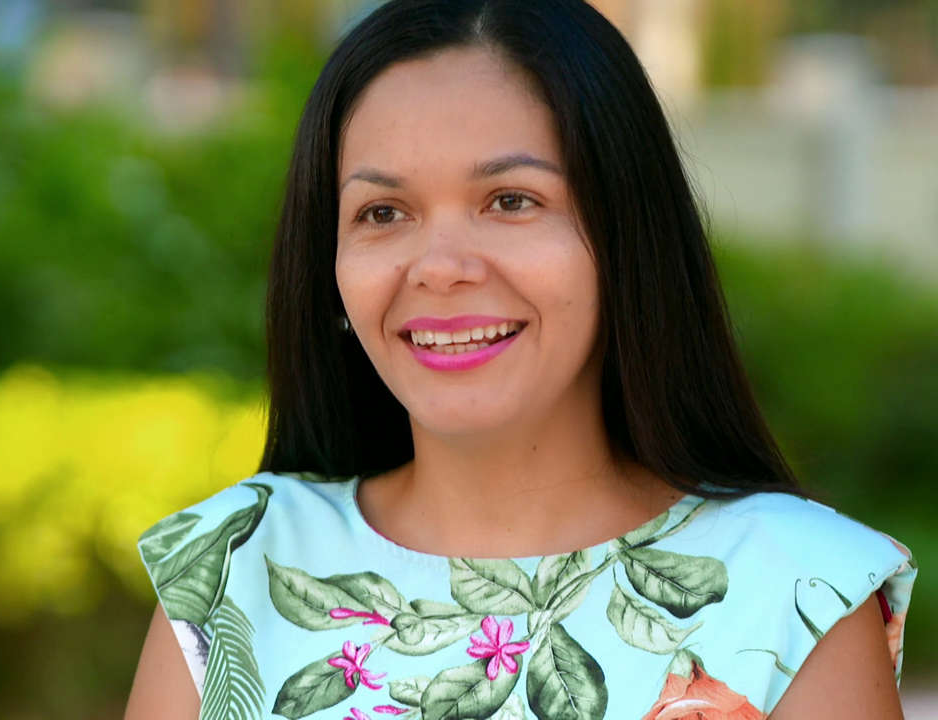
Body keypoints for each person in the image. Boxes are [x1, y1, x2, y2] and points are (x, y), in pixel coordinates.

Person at [124, 1, 917, 718]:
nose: (439, 267)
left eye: (511, 201)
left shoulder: (794, 598)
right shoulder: (229, 575)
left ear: (627, 235)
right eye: (383, 212)